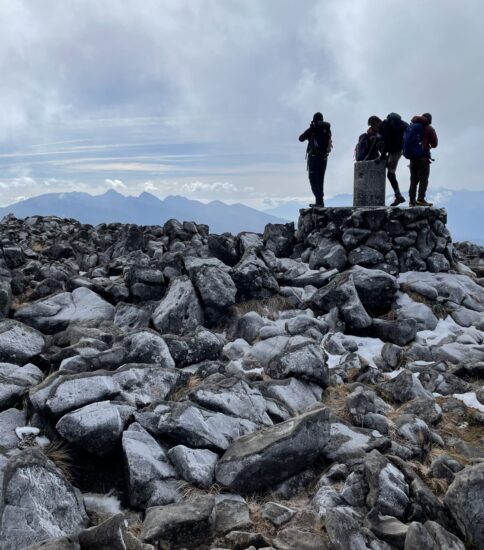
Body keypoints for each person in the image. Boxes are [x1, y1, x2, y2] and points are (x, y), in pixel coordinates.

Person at [403, 112, 438, 206]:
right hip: (423, 159)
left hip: (412, 159)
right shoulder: (429, 128)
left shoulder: (412, 126)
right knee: (423, 180)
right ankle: (421, 199)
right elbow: (435, 144)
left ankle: (411, 201)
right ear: (429, 120)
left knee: (413, 181)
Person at [299, 112, 332, 207]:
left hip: (314, 158)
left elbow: (301, 138)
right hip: (324, 158)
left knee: (313, 179)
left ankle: (319, 201)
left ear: (314, 120)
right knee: (321, 179)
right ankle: (320, 202)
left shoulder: (313, 129)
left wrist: (311, 128)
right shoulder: (327, 129)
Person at [380, 112, 409, 206]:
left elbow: (386, 141)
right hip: (400, 150)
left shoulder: (386, 125)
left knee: (390, 174)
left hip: (394, 152)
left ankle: (398, 196)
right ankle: (398, 196)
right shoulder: (403, 124)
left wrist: (383, 155)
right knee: (390, 171)